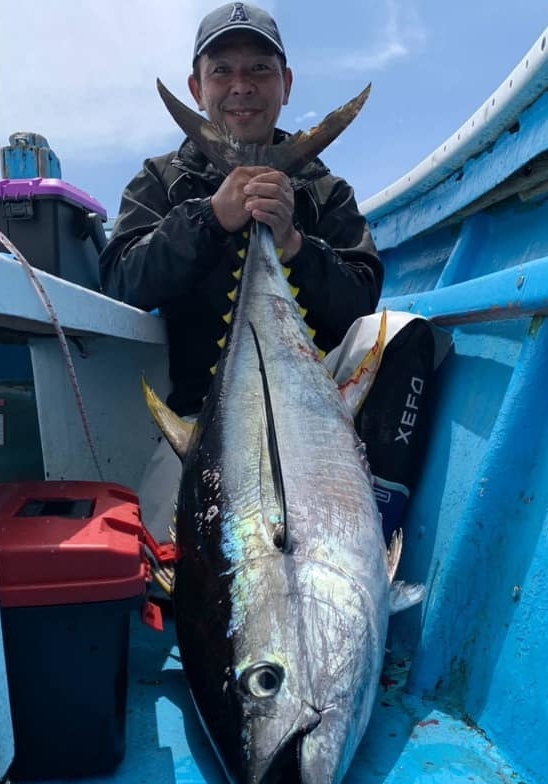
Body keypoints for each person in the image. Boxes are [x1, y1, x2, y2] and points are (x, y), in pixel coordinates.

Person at [100, 2, 450, 545]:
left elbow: (361, 296)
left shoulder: (323, 190)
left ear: (285, 83)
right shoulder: (161, 181)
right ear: (197, 87)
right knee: (164, 567)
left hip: (321, 408)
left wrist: (291, 243)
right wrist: (209, 218)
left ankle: (372, 534)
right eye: (222, 71)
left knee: (404, 336)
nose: (241, 86)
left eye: (259, 69)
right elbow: (122, 278)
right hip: (206, 419)